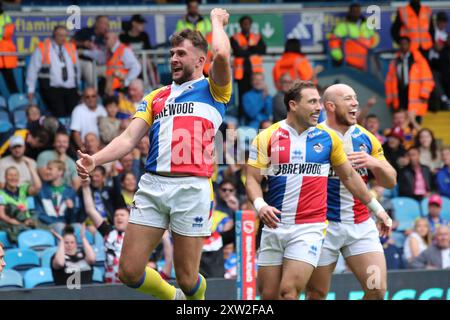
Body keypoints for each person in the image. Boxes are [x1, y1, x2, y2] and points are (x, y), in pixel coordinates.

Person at [76, 8, 232, 300]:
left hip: (192, 187)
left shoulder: (214, 90)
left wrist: (216, 21)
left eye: (182, 54)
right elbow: (128, 138)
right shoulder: (155, 96)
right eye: (172, 53)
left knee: (188, 280)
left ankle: (191, 301)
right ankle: (173, 299)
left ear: (200, 60)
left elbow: (222, 56)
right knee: (129, 272)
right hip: (152, 186)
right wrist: (94, 159)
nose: (174, 58)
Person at [246, 81, 392, 300]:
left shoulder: (334, 139)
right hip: (290, 226)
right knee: (274, 295)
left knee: (376, 288)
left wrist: (377, 208)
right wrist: (260, 205)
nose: (318, 107)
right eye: (313, 102)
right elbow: (251, 179)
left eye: (319, 102)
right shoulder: (268, 136)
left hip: (320, 227)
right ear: (294, 105)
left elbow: (354, 177)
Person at [306, 84, 397, 300]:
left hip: (360, 225)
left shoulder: (366, 138)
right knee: (317, 294)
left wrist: (374, 163)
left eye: (355, 98)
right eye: (348, 99)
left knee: (377, 290)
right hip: (324, 227)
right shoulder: (313, 136)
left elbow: (390, 181)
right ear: (330, 106)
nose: (355, 103)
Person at [26, 25, 80, 118]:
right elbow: (32, 69)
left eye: (65, 36)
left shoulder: (70, 48)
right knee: (59, 113)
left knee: (75, 113)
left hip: (70, 87)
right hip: (52, 88)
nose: (63, 39)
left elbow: (77, 68)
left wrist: (78, 85)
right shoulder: (43, 48)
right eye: (60, 35)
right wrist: (30, 89)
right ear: (54, 35)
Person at [81, 178, 129, 283]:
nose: (119, 217)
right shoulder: (108, 232)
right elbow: (90, 210)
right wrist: (85, 187)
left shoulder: (135, 234)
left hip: (130, 284)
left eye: (122, 215)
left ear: (130, 219)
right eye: (116, 215)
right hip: (110, 285)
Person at [385, 36, 435, 123]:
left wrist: (424, 94)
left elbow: (427, 79)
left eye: (405, 44)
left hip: (415, 98)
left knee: (414, 124)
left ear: (409, 45)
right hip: (400, 97)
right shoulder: (395, 61)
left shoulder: (418, 60)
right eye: (401, 44)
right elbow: (389, 81)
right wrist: (390, 99)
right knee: (401, 125)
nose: (403, 46)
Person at [35, 160, 81, 235]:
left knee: (78, 227)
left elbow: (73, 218)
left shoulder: (70, 192)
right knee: (60, 226)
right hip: (47, 225)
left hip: (66, 225)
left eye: (50, 169)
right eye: (47, 169)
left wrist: (71, 209)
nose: (47, 171)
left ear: (60, 172)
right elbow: (39, 214)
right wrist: (57, 222)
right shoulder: (41, 190)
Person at [231, 15, 266, 110]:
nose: (246, 26)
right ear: (240, 25)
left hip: (255, 73)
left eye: (248, 24)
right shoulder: (234, 37)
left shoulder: (257, 37)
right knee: (241, 97)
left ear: (250, 25)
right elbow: (237, 52)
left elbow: (262, 50)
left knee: (257, 96)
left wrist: (246, 49)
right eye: (244, 24)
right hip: (241, 74)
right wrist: (253, 48)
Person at [328, 2, 378, 71]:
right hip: (349, 64)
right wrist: (340, 58)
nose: (355, 13)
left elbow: (373, 41)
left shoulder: (367, 26)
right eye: (353, 11)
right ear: (349, 12)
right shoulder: (342, 26)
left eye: (357, 11)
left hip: (366, 64)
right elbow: (333, 44)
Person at [0, 165, 42, 244]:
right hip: (12, 224)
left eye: (15, 175)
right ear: (5, 177)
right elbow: (2, 215)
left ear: (19, 177)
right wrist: (21, 223)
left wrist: (31, 168)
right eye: (10, 175)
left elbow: (38, 187)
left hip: (28, 222)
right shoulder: (1, 194)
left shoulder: (23, 189)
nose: (13, 178)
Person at [73, 15, 109, 89]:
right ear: (96, 23)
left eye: (107, 24)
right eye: (104, 23)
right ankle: (93, 92)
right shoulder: (86, 31)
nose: (106, 26)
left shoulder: (105, 37)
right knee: (89, 66)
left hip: (98, 64)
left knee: (111, 69)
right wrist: (83, 43)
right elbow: (71, 42)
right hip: (83, 61)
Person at [70, 87, 107, 153]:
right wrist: (82, 148)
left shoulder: (102, 109)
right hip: (86, 148)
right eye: (87, 97)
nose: (91, 99)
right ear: (83, 98)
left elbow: (105, 131)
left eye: (93, 96)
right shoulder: (78, 110)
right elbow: (75, 133)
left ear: (97, 97)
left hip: (100, 148)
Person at [0, 2, 18, 94]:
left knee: (11, 84)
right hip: (3, 55)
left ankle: (17, 103)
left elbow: (7, 33)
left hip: (5, 56)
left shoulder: (5, 17)